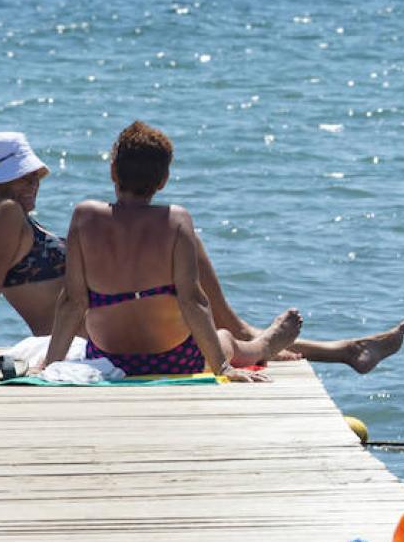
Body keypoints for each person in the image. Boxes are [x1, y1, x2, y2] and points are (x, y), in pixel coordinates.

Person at [0, 130, 404, 371]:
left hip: (100, 327)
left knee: (215, 305)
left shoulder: (12, 215)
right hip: (84, 338)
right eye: (27, 175)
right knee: (221, 315)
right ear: (0, 179)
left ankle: (339, 350)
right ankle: (325, 350)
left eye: (35, 174)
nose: (37, 181)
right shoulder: (4, 216)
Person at [40, 121, 324, 380]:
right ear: (163, 180)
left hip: (107, 358)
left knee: (220, 337)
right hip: (175, 360)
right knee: (224, 339)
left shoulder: (85, 217)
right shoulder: (176, 221)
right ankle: (264, 344)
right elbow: (193, 301)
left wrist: (51, 366)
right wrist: (222, 368)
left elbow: (72, 302)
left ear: (113, 170)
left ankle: (262, 343)